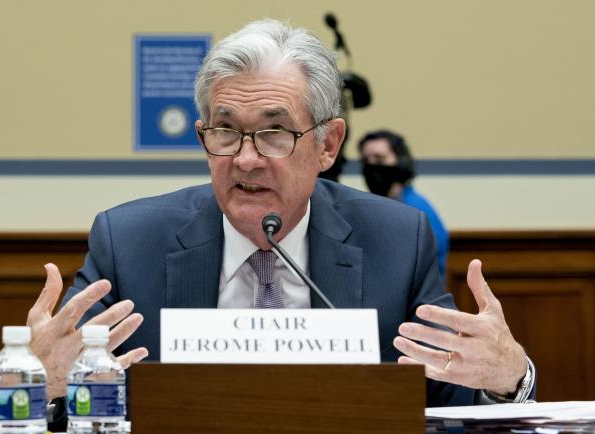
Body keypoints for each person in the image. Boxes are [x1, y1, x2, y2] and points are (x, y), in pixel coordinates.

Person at [26, 19, 535, 428]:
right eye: (225, 131)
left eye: (274, 132)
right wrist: (42, 382)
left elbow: (451, 395)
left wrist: (509, 379)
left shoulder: (396, 242)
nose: (245, 159)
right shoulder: (129, 242)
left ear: (328, 145)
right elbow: (71, 402)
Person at [359, 129, 450, 281]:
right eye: (366, 160)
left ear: (400, 160)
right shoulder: (376, 208)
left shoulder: (416, 210)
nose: (372, 165)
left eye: (379, 158)